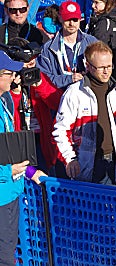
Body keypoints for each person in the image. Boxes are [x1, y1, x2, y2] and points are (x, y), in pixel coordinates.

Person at [53, 41, 116, 185]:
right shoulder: (74, 93)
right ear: (88, 66)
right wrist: (70, 159)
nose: (106, 71)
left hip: (113, 161)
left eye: (109, 66)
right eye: (101, 68)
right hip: (86, 163)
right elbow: (60, 131)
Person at [0, 50, 44, 266]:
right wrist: (10, 171)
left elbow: (8, 151)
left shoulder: (4, 101)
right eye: (9, 73)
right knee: (6, 258)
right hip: (2, 196)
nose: (15, 78)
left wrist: (28, 171)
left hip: (10, 192)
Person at [36, 1, 97, 91]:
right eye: (67, 19)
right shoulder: (48, 48)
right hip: (59, 98)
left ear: (80, 19)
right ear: (60, 18)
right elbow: (44, 80)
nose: (71, 23)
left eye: (75, 19)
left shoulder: (92, 42)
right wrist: (69, 79)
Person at [86, 0, 116, 86]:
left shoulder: (104, 22)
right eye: (92, 2)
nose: (93, 6)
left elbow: (97, 50)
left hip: (110, 76)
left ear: (107, 3)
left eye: (96, 2)